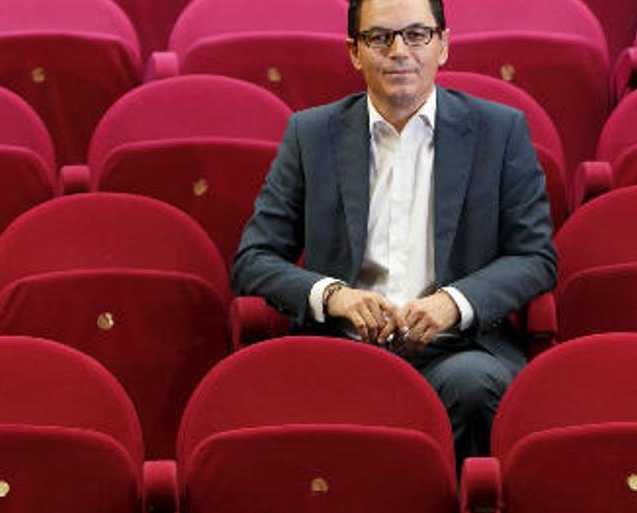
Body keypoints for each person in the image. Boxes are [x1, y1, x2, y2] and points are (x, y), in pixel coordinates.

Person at [231, 0, 557, 461]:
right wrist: (332, 296)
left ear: (443, 44)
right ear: (354, 52)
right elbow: (253, 260)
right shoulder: (311, 134)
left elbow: (535, 257)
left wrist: (454, 303)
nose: (400, 50)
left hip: (456, 347)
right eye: (380, 37)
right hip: (342, 345)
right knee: (280, 397)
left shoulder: (499, 132)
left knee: (473, 386)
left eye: (417, 35)